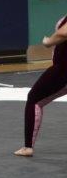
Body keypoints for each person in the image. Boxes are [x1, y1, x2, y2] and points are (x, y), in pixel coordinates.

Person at [14, 16, 67, 157]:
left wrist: (48, 42)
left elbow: (64, 33)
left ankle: (28, 147)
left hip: (63, 69)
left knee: (34, 99)